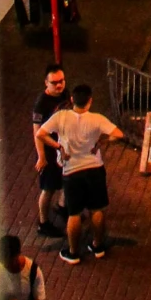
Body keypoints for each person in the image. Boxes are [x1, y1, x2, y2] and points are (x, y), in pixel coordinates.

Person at [36, 82, 123, 264]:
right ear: (90, 101)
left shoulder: (61, 117)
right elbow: (118, 134)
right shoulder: (97, 119)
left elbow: (41, 134)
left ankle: (73, 252)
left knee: (74, 213)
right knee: (97, 209)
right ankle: (98, 246)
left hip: (72, 170)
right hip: (94, 167)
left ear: (72, 99)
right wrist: (102, 143)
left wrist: (58, 146)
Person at [32, 60, 68, 235]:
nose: (59, 85)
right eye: (54, 82)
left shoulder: (64, 94)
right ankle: (43, 223)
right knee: (48, 189)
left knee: (66, 180)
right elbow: (37, 132)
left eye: (61, 81)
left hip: (63, 147)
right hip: (49, 151)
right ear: (46, 83)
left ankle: (62, 207)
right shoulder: (41, 104)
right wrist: (41, 157)